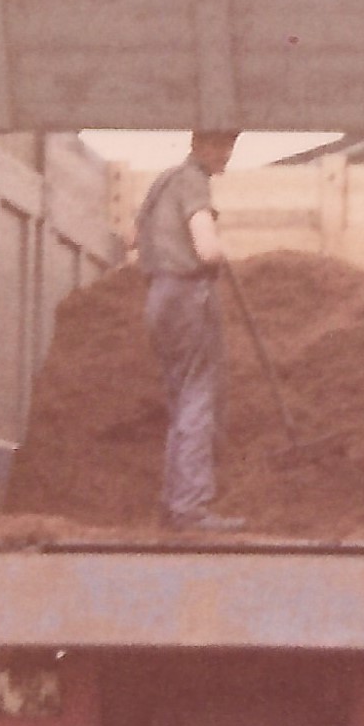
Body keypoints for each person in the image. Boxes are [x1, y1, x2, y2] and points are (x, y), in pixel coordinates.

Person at [135, 129, 242, 531]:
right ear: (200, 145)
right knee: (199, 397)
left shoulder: (162, 182)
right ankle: (191, 508)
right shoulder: (194, 181)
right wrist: (218, 253)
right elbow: (206, 248)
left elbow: (132, 237)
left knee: (182, 398)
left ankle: (174, 502)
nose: (228, 153)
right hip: (187, 296)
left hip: (158, 295)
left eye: (231, 145)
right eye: (221, 145)